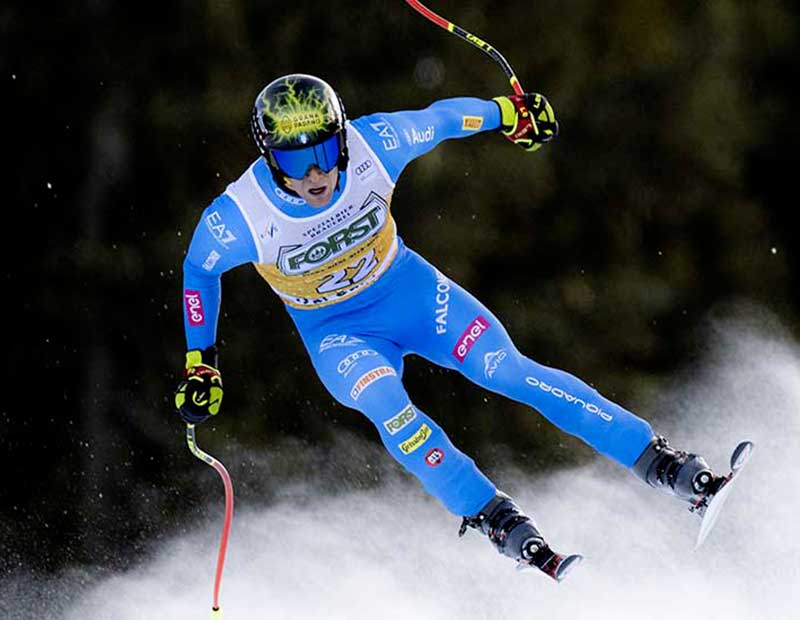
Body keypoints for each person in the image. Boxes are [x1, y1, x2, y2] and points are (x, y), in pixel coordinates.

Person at [174, 74, 732, 576]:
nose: (316, 173)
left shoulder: (374, 145)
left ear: (342, 137)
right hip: (338, 334)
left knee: (506, 370)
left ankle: (665, 464)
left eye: (324, 150)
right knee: (391, 407)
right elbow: (199, 269)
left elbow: (442, 119)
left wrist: (508, 114)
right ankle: (492, 514)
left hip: (411, 294)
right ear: (271, 160)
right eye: (296, 162)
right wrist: (203, 362)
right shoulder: (240, 215)